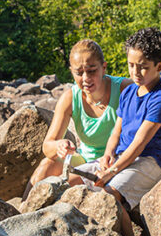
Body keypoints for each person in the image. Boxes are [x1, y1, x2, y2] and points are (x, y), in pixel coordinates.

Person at [77, 27, 161, 236]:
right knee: (74, 178)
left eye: (143, 66)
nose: (136, 72)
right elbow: (117, 130)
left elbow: (139, 144)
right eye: (131, 65)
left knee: (110, 193)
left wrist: (111, 171)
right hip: (123, 159)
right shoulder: (129, 91)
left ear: (159, 66)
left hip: (150, 162)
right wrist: (108, 154)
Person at [27, 39, 131, 190]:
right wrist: (59, 146)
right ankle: (23, 211)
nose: (86, 78)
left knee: (67, 184)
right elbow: (47, 146)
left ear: (104, 67)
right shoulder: (70, 98)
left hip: (118, 161)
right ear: (71, 72)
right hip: (85, 159)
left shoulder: (124, 89)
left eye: (92, 70)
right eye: (79, 73)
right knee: (47, 164)